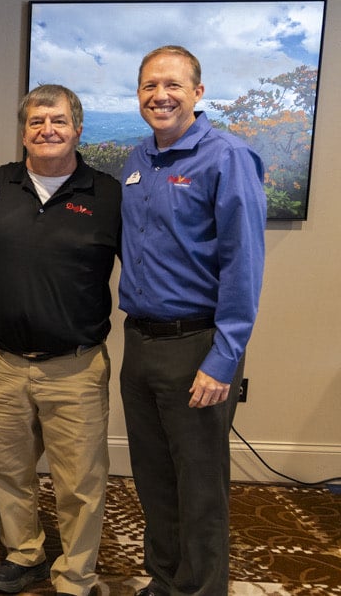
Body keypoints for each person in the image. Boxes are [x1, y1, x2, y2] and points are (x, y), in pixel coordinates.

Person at [119, 46, 266, 596]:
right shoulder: (136, 161)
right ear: (138, 94)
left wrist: (223, 359)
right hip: (140, 343)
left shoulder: (227, 157)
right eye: (149, 86)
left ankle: (203, 589)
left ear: (198, 93)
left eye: (173, 85)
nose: (161, 96)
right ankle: (164, 583)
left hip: (198, 346)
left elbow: (243, 265)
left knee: (200, 488)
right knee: (154, 481)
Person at [0, 85, 121, 596]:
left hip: (75, 367)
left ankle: (76, 575)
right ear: (24, 132)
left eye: (57, 120)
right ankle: (25, 554)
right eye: (36, 121)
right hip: (3, 362)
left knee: (79, 482)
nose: (47, 130)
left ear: (77, 128)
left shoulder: (107, 194)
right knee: (7, 469)